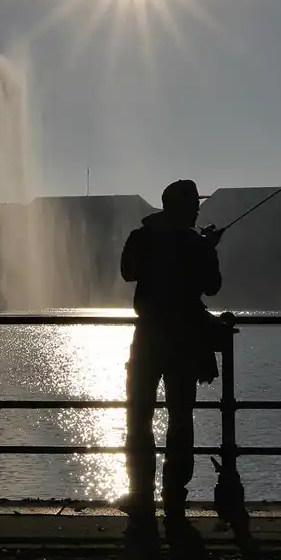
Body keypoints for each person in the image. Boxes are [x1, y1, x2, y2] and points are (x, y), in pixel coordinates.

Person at [120, 179, 224, 520]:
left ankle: (141, 491)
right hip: (182, 340)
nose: (197, 209)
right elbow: (212, 287)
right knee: (180, 416)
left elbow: (127, 272)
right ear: (181, 206)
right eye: (194, 204)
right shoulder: (194, 243)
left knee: (139, 415)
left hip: (147, 336)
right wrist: (208, 248)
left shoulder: (142, 236)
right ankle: (174, 492)